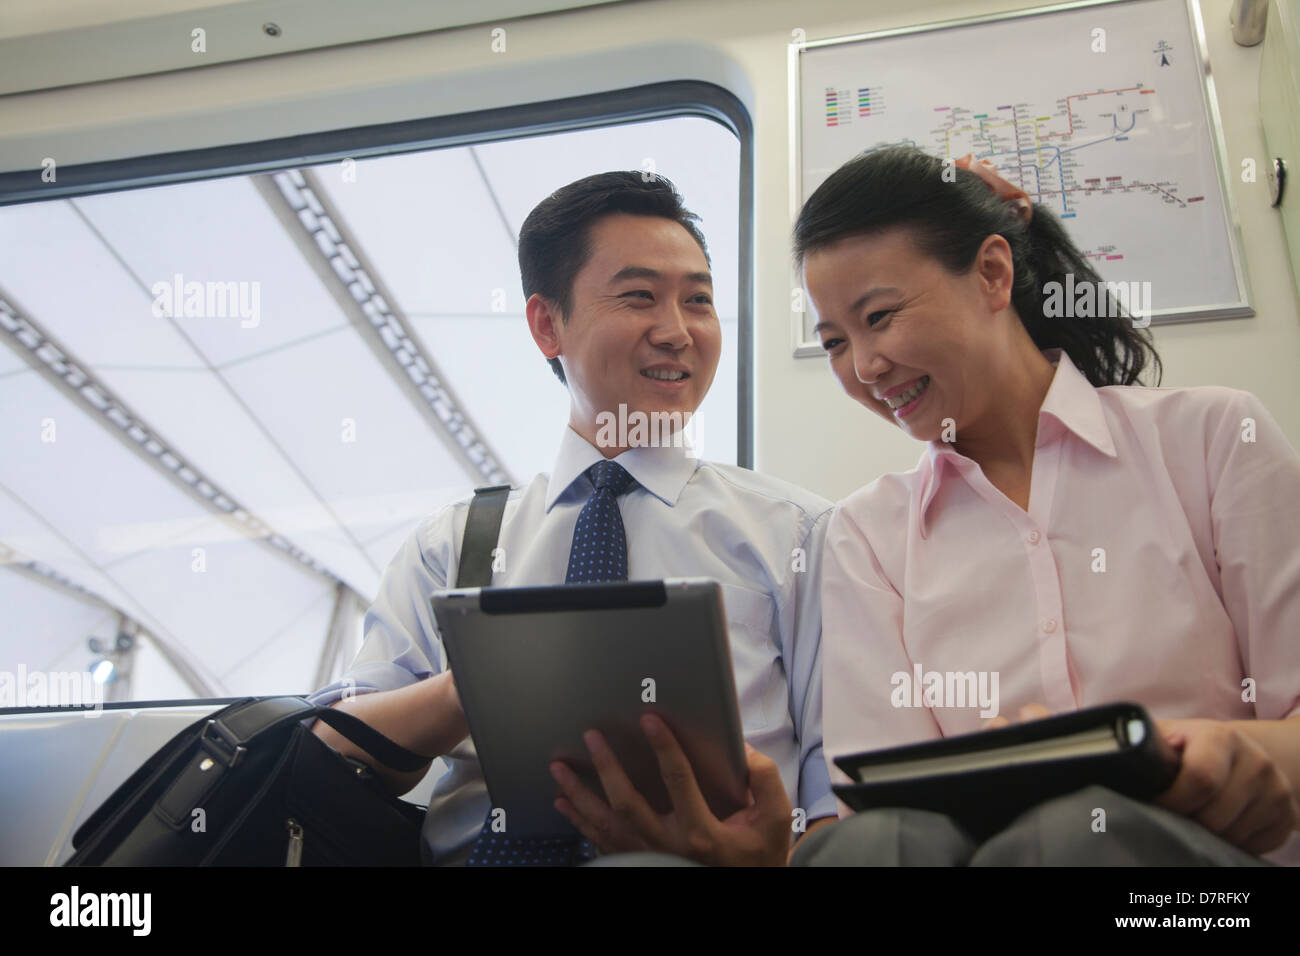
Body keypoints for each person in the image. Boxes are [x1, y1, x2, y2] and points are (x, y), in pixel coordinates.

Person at [308, 170, 838, 865]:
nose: (678, 332)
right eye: (640, 297)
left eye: (700, 301)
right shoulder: (458, 544)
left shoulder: (797, 534)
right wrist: (481, 685)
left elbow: (834, 805)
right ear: (547, 324)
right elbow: (334, 744)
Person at [789, 145, 1300, 866]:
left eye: (881, 316)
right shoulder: (867, 534)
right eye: (836, 342)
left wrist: (1227, 750)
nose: (866, 368)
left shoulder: (1212, 441)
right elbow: (884, 795)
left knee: (1073, 834)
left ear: (992, 274)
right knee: (866, 847)